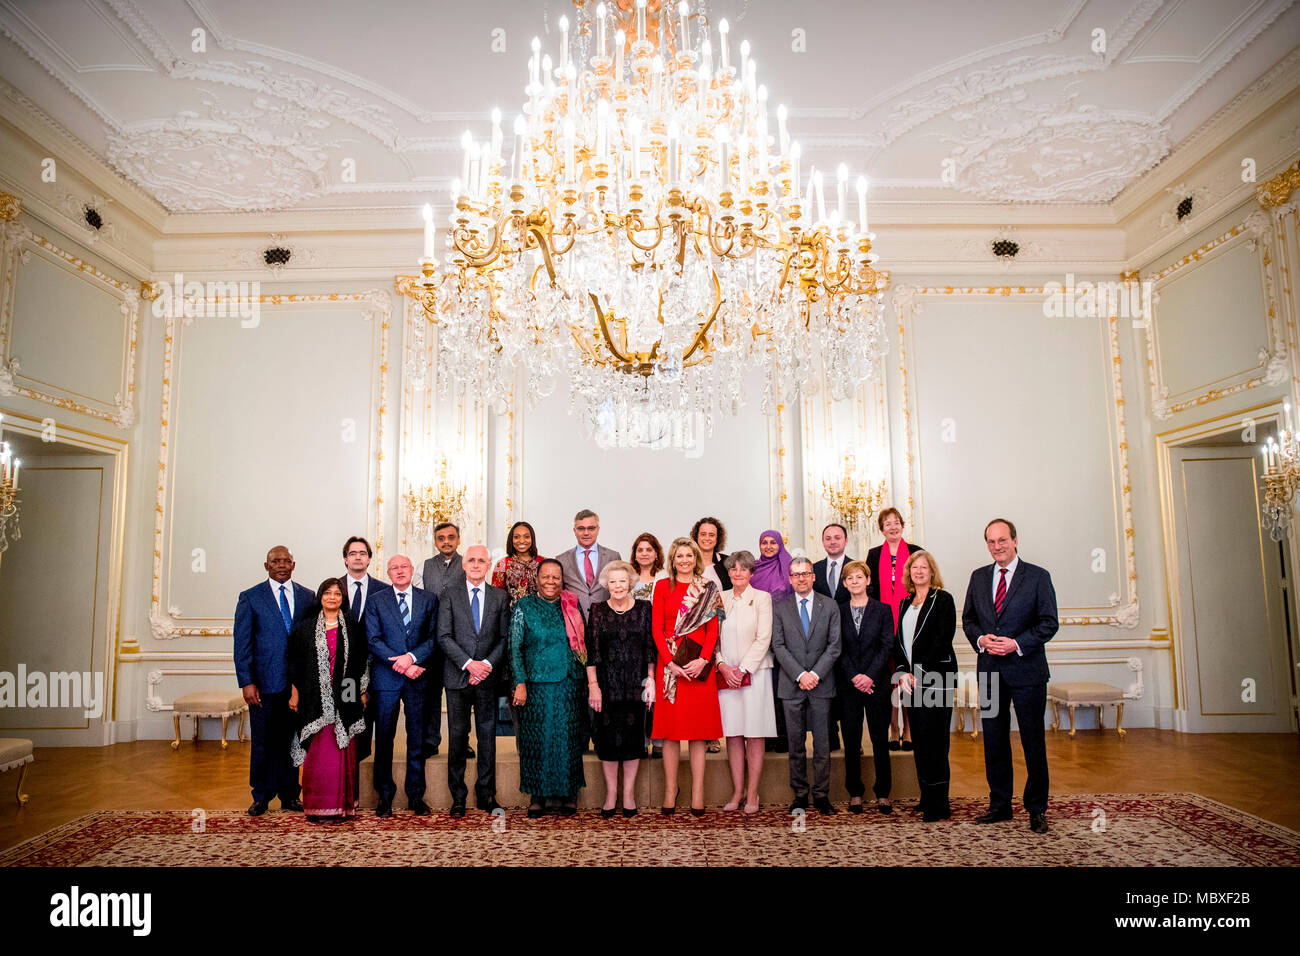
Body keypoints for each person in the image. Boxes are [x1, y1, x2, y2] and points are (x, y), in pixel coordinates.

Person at [962, 519, 1059, 834]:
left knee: (1033, 741)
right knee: (993, 740)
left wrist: (1017, 643)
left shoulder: (1038, 577)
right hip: (989, 671)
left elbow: (1048, 623)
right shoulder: (978, 577)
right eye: (991, 542)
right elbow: (969, 619)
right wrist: (981, 640)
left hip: (1027, 670)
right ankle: (1000, 805)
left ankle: (1036, 809)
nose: (996, 547)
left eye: (1002, 540)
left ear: (1015, 541)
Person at [233, 545, 315, 816]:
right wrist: (247, 681)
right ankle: (261, 794)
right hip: (263, 686)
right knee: (264, 742)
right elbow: (242, 643)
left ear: (294, 565)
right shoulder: (251, 597)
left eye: (286, 561)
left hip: (296, 686)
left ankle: (290, 794)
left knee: (293, 741)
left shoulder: (307, 597)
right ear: (266, 566)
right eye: (275, 561)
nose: (281, 565)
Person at [651, 537, 724, 816]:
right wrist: (670, 663)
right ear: (673, 559)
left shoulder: (708, 587)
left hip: (698, 669)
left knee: (698, 734)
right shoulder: (661, 587)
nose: (684, 560)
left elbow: (714, 628)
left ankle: (697, 791)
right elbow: (656, 629)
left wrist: (703, 660)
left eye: (689, 556)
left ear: (696, 559)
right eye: (679, 556)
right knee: (670, 735)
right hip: (670, 669)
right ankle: (671, 789)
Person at [287, 578, 369, 822]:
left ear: (343, 599)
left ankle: (343, 806)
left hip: (345, 692)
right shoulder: (305, 628)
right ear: (320, 596)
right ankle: (317, 806)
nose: (332, 597)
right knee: (319, 753)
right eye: (328, 593)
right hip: (314, 697)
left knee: (343, 748)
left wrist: (361, 691)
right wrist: (295, 691)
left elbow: (361, 661)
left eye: (337, 594)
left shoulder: (353, 627)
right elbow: (295, 663)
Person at [510, 559, 587, 816]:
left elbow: (583, 644)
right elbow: (514, 647)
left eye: (556, 577)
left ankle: (569, 794)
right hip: (536, 684)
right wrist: (519, 682)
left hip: (569, 682)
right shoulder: (524, 606)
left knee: (568, 739)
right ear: (537, 579)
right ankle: (538, 795)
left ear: (562, 580)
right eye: (546, 576)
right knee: (537, 740)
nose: (551, 581)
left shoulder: (571, 605)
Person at [436, 544, 508, 818]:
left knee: (487, 737)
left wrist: (486, 665)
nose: (476, 564)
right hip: (458, 677)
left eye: (481, 560)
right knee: (457, 737)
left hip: (487, 679)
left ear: (488, 565)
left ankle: (486, 794)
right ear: (463, 564)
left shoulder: (499, 597)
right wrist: (469, 664)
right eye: (471, 560)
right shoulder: (449, 595)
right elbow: (443, 636)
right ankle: (458, 796)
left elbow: (503, 638)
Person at [364, 554, 438, 817]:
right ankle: (384, 795)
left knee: (416, 738)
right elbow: (372, 640)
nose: (399, 571)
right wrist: (402, 662)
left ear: (412, 569)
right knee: (384, 738)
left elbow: (433, 637)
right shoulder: (376, 601)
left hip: (418, 677)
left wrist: (413, 658)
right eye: (394, 568)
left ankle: (415, 795)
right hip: (386, 679)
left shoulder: (429, 599)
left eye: (404, 566)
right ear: (387, 572)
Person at [771, 556, 841, 815]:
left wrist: (815, 674)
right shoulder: (780, 606)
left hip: (822, 686)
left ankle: (822, 795)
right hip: (791, 685)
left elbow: (834, 647)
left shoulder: (830, 605)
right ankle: (800, 794)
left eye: (805, 573)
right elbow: (777, 645)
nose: (801, 578)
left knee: (822, 746)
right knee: (795, 745)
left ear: (813, 576)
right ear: (790, 579)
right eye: (796, 574)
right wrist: (800, 674)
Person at [586, 561, 655, 817]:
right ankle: (611, 794)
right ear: (607, 584)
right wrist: (593, 686)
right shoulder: (597, 610)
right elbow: (591, 653)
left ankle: (628, 795)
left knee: (633, 741)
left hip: (635, 687)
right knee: (608, 743)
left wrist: (651, 681)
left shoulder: (645, 609)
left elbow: (650, 648)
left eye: (622, 581)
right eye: (612, 582)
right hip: (606, 688)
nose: (617, 586)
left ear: (630, 584)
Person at [893, 550, 957, 822]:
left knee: (936, 742)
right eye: (914, 568)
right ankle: (926, 796)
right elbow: (899, 642)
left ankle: (939, 803)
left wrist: (919, 671)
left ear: (932, 572)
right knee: (920, 740)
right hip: (911, 681)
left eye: (924, 567)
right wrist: (903, 673)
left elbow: (942, 639)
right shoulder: (905, 603)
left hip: (936, 679)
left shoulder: (943, 599)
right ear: (908, 573)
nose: (918, 571)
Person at [715, 551, 776, 814]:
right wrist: (722, 665)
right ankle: (737, 791)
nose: (738, 573)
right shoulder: (721, 598)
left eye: (743, 569)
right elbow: (712, 638)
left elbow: (764, 638)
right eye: (733, 569)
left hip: (755, 673)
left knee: (754, 732)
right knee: (734, 732)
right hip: (726, 675)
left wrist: (743, 669)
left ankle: (753, 793)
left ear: (752, 573)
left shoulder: (762, 598)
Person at [836, 560, 895, 813]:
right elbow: (838, 648)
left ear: (868, 581)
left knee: (880, 739)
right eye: (850, 578)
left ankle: (883, 792)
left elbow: (886, 646)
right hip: (849, 686)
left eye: (860, 577)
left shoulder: (882, 610)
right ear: (845, 583)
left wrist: (869, 676)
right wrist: (855, 677)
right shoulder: (838, 611)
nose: (855, 581)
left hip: (877, 684)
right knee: (851, 739)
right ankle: (855, 792)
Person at [866, 507, 921, 752]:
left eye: (896, 522)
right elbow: (871, 593)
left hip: (911, 623)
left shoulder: (917, 552)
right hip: (884, 626)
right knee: (889, 681)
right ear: (881, 528)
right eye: (887, 523)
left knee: (908, 679)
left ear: (902, 525)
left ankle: (908, 729)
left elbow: (923, 585)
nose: (893, 527)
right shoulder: (874, 554)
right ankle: (893, 728)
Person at [341, 535, 389, 766]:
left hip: (378, 672)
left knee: (374, 723)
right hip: (346, 676)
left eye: (362, 553)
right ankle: (349, 782)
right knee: (349, 720)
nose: (358, 557)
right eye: (353, 553)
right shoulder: (333, 589)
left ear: (369, 559)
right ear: (345, 559)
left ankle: (370, 784)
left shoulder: (384, 591)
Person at [419, 521, 462, 758]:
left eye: (451, 537)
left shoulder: (467, 565)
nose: (446, 541)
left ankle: (460, 742)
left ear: (458, 540)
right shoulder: (424, 567)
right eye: (441, 538)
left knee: (458, 697)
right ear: (435, 541)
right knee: (432, 694)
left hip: (460, 641)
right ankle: (430, 740)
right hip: (432, 640)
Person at [750, 530, 794, 752]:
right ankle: (764, 737)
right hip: (757, 637)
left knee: (782, 687)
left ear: (780, 544)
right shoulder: (753, 569)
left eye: (772, 543)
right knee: (762, 688)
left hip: (784, 636)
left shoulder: (789, 566)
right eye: (764, 542)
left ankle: (783, 737)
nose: (768, 546)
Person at [812, 522, 851, 752]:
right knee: (825, 691)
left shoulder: (856, 567)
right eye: (828, 538)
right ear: (823, 541)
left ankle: (851, 741)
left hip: (849, 638)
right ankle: (830, 738)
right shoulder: (814, 569)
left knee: (846, 692)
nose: (833, 541)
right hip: (821, 641)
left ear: (845, 541)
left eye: (837, 537)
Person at [557, 509, 621, 618]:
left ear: (598, 529)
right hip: (574, 625)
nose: (586, 533)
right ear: (574, 530)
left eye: (591, 528)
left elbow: (620, 591)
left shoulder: (613, 557)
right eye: (581, 528)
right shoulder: (561, 560)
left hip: (607, 622)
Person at [491, 520, 544, 606]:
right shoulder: (501, 564)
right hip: (511, 616)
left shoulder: (543, 562)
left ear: (532, 538)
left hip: (541, 615)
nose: (522, 541)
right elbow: (496, 597)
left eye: (526, 537)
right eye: (516, 537)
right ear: (511, 539)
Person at [691, 516, 731, 591]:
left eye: (711, 535)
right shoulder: (687, 562)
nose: (707, 538)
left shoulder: (727, 562)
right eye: (703, 534)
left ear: (717, 538)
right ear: (697, 537)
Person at [629, 531, 665, 602]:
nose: (644, 554)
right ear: (635, 555)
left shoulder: (666, 577)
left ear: (656, 554)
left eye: (649, 550)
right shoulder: (627, 577)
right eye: (640, 550)